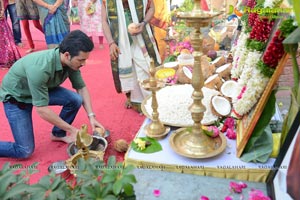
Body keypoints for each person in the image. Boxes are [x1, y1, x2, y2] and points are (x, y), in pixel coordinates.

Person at [0, 30, 105, 158]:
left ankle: (57, 134)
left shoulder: (71, 63)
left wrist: (91, 117)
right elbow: (42, 110)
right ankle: (61, 131)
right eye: (81, 60)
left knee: (75, 99)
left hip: (40, 89)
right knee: (24, 151)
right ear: (67, 55)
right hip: (16, 98)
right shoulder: (40, 68)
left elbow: (81, 88)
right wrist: (72, 130)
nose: (84, 63)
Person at [102, 0, 161, 112]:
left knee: (146, 65)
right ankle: (135, 100)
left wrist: (143, 23)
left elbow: (151, 8)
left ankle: (155, 99)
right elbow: (104, 21)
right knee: (130, 70)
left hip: (142, 36)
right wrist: (111, 43)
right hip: (121, 40)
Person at [0, 0, 21, 69]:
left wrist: (2, 9)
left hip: (11, 2)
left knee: (5, 33)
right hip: (3, 6)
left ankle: (17, 41)